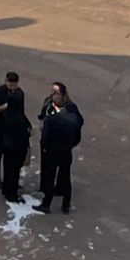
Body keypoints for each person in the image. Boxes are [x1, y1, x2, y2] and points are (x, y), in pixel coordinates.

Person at [35, 83, 82, 213]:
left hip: (54, 149)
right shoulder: (69, 115)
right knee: (63, 175)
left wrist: (45, 145)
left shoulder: (64, 113)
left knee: (53, 175)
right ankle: (65, 203)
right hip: (65, 149)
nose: (52, 94)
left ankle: (47, 203)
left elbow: (46, 136)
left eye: (55, 92)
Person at [0, 71, 31, 202]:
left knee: (10, 156)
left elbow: (21, 111)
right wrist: (4, 107)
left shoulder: (19, 93)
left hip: (14, 127)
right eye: (10, 84)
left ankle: (9, 181)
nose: (12, 87)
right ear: (6, 81)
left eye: (14, 84)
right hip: (0, 125)